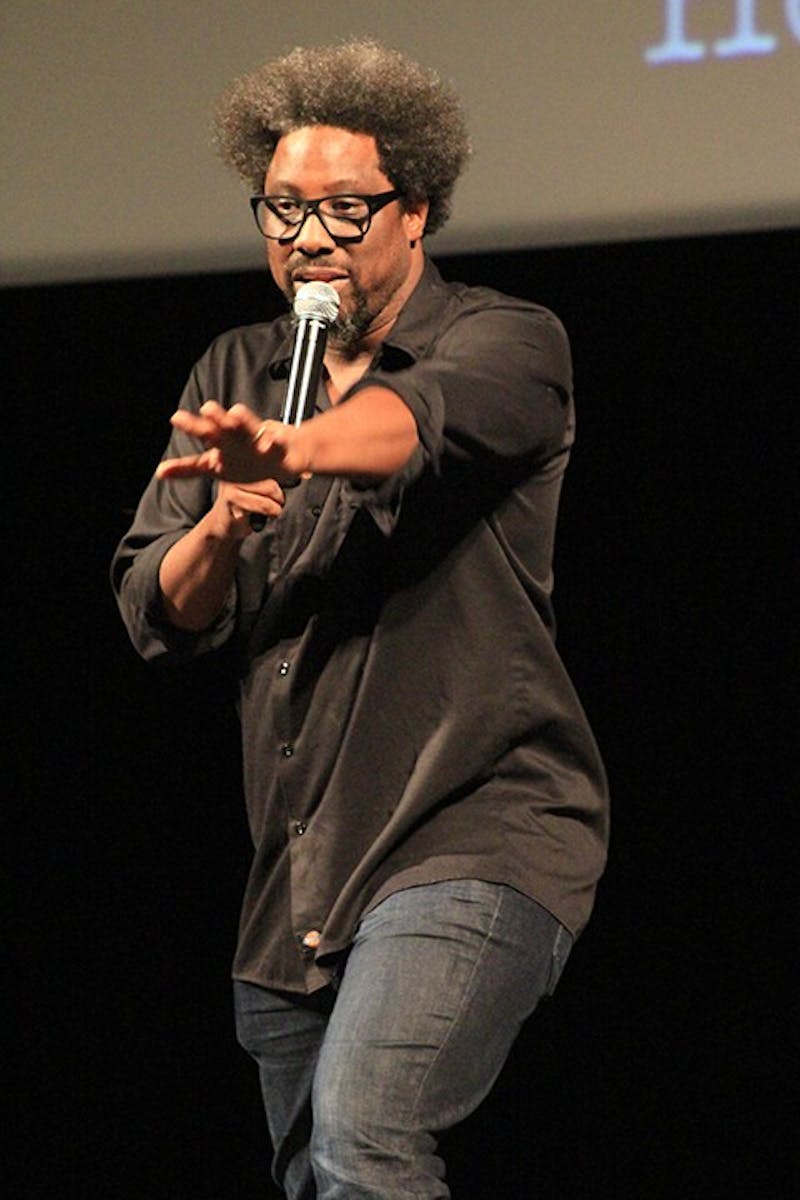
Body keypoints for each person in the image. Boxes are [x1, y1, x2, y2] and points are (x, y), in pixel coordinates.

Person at [111, 39, 609, 1200]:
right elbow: (157, 610)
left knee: (366, 1139)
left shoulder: (506, 339)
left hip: (473, 832)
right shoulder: (238, 363)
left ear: (415, 211)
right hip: (294, 875)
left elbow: (414, 422)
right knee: (316, 1178)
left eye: (343, 208)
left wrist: (296, 444)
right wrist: (228, 521)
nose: (309, 238)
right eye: (282, 210)